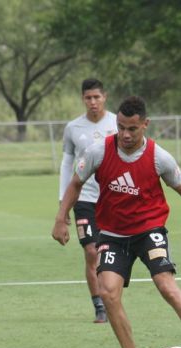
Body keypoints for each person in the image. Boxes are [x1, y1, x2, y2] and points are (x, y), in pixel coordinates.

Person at [52, 96, 181, 348]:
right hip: (112, 235)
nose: (126, 135)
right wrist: (60, 218)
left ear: (145, 125)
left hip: (149, 230)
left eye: (133, 129)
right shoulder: (98, 152)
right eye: (122, 127)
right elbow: (76, 184)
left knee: (166, 284)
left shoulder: (158, 157)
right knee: (108, 292)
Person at [58, 78, 117, 323]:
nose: (93, 102)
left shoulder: (117, 123)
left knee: (109, 253)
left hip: (113, 199)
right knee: (91, 252)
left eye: (97, 97)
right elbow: (66, 164)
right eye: (88, 98)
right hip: (84, 199)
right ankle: (99, 305)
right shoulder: (73, 128)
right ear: (83, 99)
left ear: (105, 97)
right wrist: (63, 201)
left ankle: (112, 298)